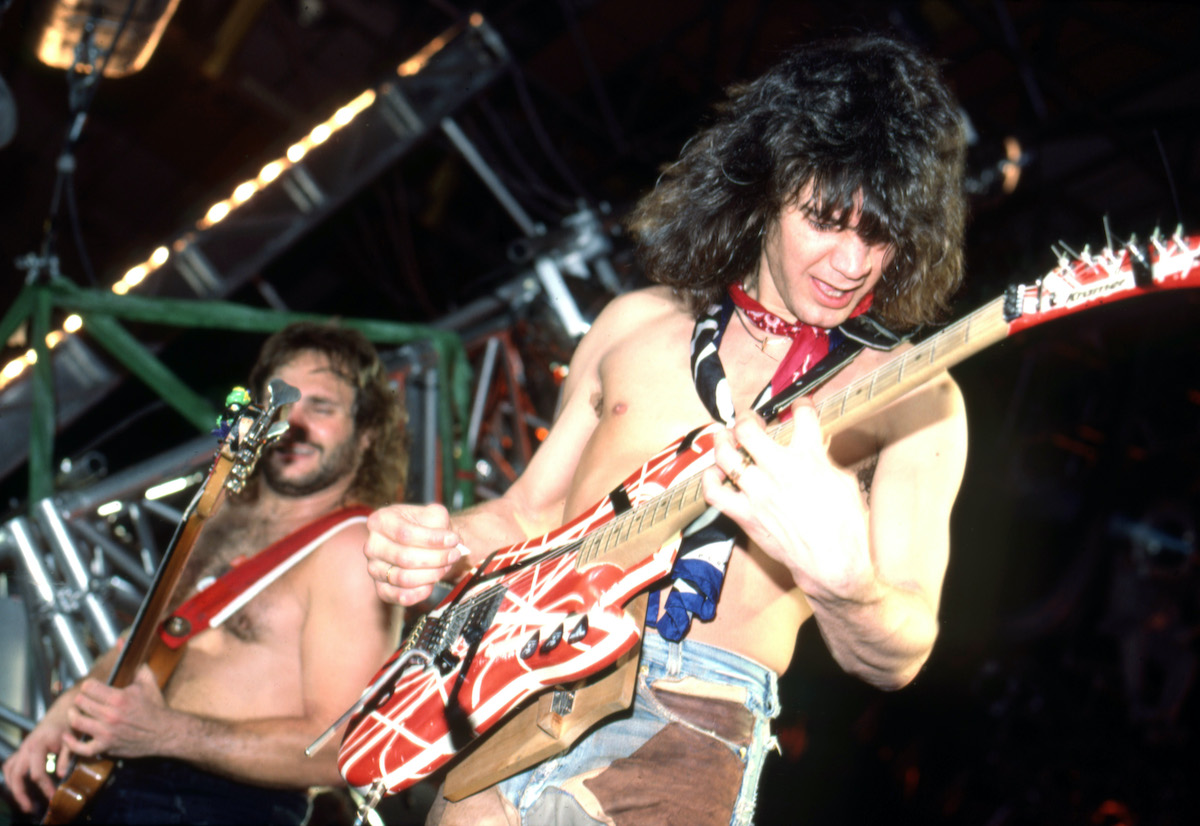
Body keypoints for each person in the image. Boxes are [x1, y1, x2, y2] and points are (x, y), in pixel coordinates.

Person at [364, 32, 968, 826]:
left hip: (694, 715)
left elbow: (902, 650)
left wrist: (844, 585)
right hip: (529, 675)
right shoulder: (632, 325)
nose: (852, 261)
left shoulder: (913, 396)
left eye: (879, 235)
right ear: (765, 188)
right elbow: (528, 516)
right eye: (825, 219)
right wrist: (439, 543)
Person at [3, 322, 408, 825]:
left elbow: (345, 746)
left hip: (223, 805)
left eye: (321, 407)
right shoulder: (223, 519)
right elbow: (145, 640)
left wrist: (168, 732)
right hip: (121, 778)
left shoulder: (355, 548)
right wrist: (65, 711)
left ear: (367, 434)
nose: (292, 423)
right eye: (277, 405)